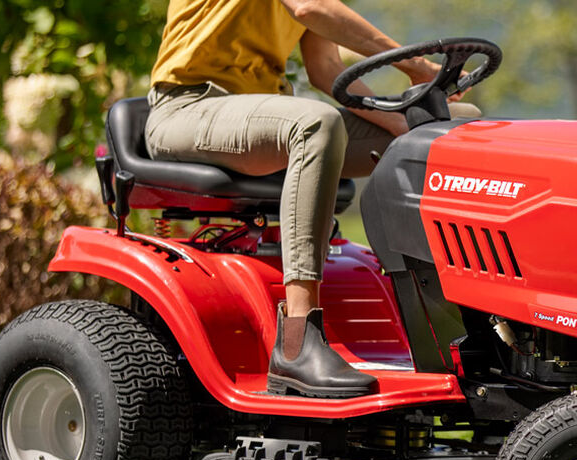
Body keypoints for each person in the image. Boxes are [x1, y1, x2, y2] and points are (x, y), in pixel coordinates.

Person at [145, 0, 475, 399]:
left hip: (258, 116)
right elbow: (309, 8)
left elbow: (327, 71)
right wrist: (414, 63)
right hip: (189, 107)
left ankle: (466, 319)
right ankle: (297, 342)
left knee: (453, 129)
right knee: (315, 124)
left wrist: (404, 124)